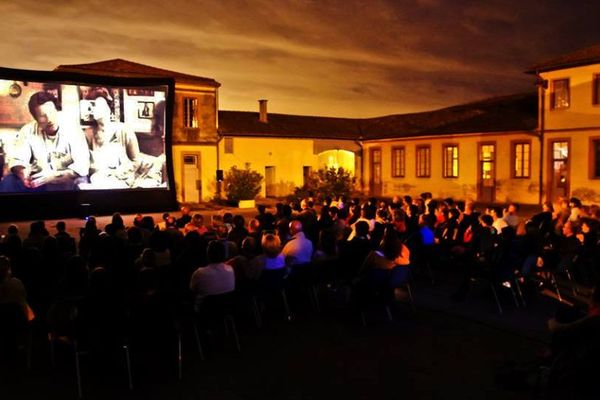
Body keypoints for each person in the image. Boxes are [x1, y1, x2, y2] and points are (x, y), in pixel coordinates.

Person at [6, 91, 90, 191]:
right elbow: (17, 159)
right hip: (39, 183)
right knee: (9, 181)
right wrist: (22, 172)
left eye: (51, 112)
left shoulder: (73, 129)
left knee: (81, 185)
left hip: (68, 181)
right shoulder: (27, 130)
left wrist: (52, 177)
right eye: (42, 116)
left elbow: (82, 168)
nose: (49, 119)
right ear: (35, 118)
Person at [83, 90, 141, 189]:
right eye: (95, 105)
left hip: (121, 179)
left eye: (102, 104)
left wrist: (118, 172)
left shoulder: (125, 130)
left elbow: (136, 161)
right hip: (98, 179)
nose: (98, 109)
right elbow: (83, 162)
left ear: (109, 109)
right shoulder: (88, 133)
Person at [189, 240, 235, 306]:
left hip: (203, 310)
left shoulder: (200, 273)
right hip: (225, 309)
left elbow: (192, 290)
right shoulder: (230, 269)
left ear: (208, 254)